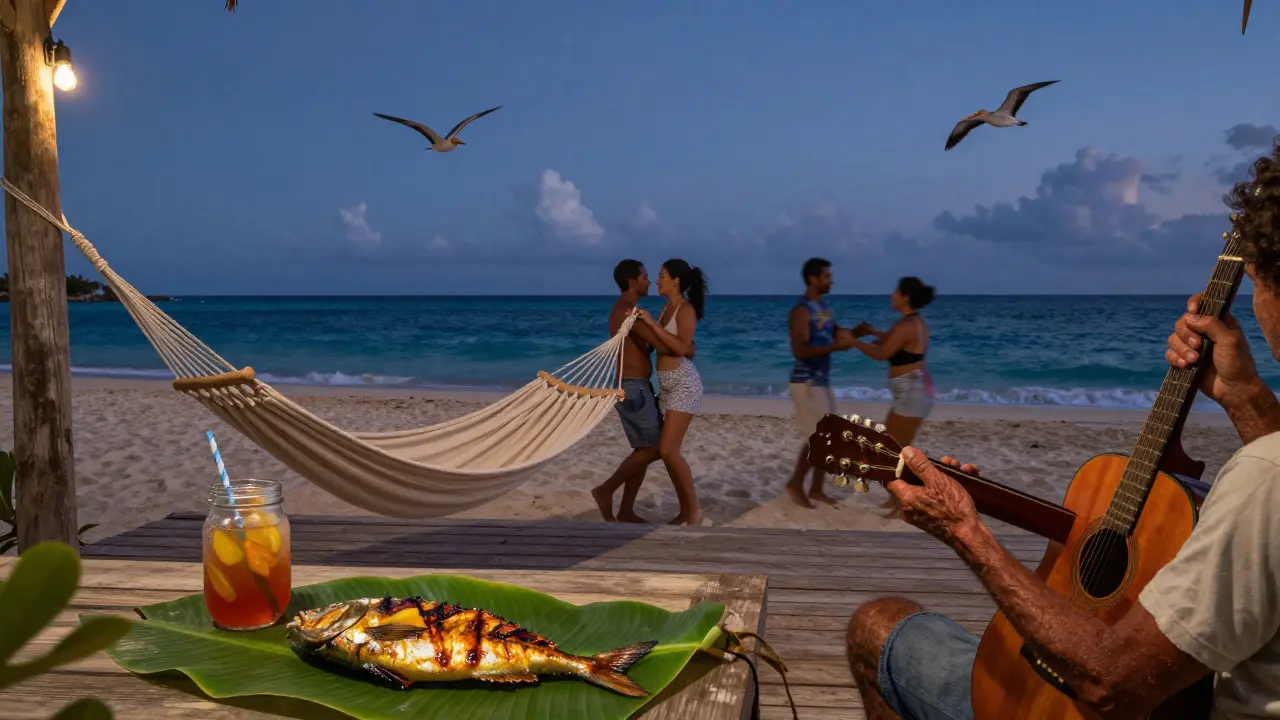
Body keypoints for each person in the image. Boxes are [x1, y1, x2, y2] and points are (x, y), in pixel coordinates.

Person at [843, 144, 1280, 720]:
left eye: (1256, 283)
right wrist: (1245, 396)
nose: (1255, 299)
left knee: (877, 626)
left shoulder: (1264, 476)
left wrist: (964, 530)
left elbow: (1109, 686)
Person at [591, 259, 696, 523]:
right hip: (632, 386)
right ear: (632, 281)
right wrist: (686, 348)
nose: (649, 281)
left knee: (642, 449)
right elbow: (666, 345)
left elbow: (655, 345)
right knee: (652, 449)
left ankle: (626, 511)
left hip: (636, 385)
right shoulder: (629, 312)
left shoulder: (626, 310)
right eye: (645, 276)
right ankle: (605, 491)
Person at [634, 259, 708, 526]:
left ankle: (695, 512)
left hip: (683, 383)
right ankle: (686, 511)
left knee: (668, 451)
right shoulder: (667, 308)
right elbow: (663, 345)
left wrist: (652, 325)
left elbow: (680, 347)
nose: (657, 280)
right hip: (666, 384)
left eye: (662, 276)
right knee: (666, 452)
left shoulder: (685, 310)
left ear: (675, 280)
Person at [786, 257, 856, 508]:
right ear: (813, 279)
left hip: (820, 382)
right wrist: (834, 347)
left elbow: (837, 335)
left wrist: (859, 334)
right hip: (805, 382)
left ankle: (816, 489)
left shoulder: (823, 308)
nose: (831, 281)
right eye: (827, 276)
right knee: (819, 438)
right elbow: (800, 351)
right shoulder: (801, 311)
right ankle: (795, 483)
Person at [849, 276, 937, 449]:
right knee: (887, 445)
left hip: (911, 393)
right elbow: (893, 342)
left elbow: (882, 353)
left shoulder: (906, 325)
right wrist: (873, 332)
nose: (892, 296)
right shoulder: (913, 321)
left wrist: (853, 343)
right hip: (912, 390)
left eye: (896, 292)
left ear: (905, 298)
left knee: (891, 451)